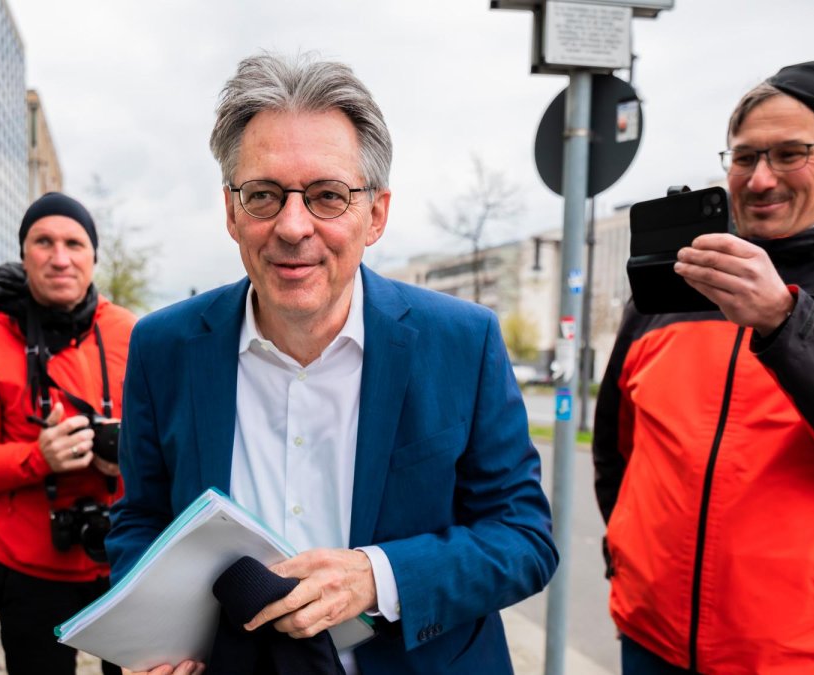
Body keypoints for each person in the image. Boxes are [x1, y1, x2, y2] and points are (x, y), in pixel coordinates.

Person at [107, 53, 558, 675]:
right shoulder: (163, 347)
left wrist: (379, 576)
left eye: (328, 196)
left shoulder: (463, 341)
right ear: (232, 211)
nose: (293, 227)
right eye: (263, 195)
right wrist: (157, 639)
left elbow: (524, 539)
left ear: (375, 214)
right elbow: (141, 519)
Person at [593, 60, 814, 674]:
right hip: (650, 639)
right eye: (744, 157)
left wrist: (786, 322)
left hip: (805, 656)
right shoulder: (671, 291)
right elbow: (615, 449)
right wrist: (629, 556)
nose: (760, 180)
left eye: (791, 154)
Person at [0, 193, 136, 675]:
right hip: (30, 573)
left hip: (127, 559)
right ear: (23, 254)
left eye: (74, 243)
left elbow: (178, 442)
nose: (60, 257)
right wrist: (38, 457)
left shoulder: (132, 331)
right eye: (43, 242)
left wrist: (128, 452)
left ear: (94, 256)